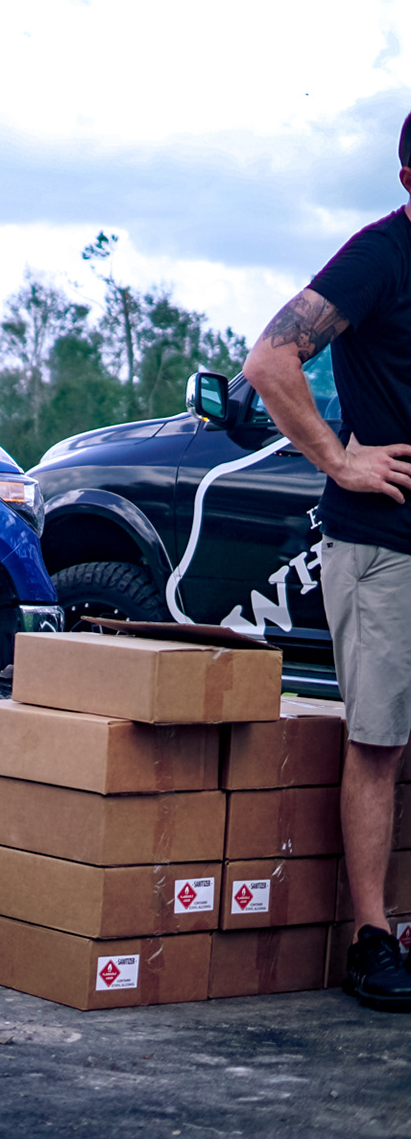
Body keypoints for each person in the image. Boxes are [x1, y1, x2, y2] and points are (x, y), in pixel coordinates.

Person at [242, 113, 411, 1014]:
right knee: (379, 741)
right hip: (386, 548)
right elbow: (270, 360)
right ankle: (371, 938)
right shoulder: (378, 257)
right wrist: (340, 460)